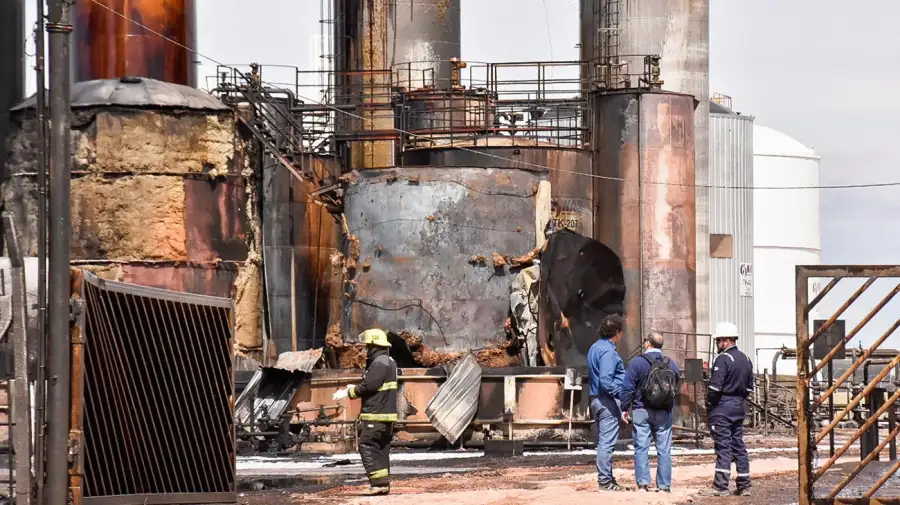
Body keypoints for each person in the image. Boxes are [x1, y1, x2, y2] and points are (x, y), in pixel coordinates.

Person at [332, 329, 398, 496]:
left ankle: (377, 484)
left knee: (367, 446)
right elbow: (374, 384)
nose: (366, 351)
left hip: (375, 415)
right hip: (386, 417)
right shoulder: (389, 361)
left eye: (368, 347)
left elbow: (370, 386)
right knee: (381, 449)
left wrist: (349, 392)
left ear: (374, 346)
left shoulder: (379, 362)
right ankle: (382, 483)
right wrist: (353, 387)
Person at [621, 332, 681, 493]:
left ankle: (642, 484)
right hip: (664, 412)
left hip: (641, 410)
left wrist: (624, 408)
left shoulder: (638, 363)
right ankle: (664, 486)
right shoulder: (671, 364)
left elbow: (628, 388)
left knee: (641, 448)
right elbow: (676, 384)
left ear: (647, 343)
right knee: (664, 450)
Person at [700, 322, 754, 497]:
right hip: (739, 407)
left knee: (723, 446)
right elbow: (749, 388)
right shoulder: (746, 359)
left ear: (726, 340)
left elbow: (715, 388)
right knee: (738, 445)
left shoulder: (723, 359)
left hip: (722, 408)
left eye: (718, 341)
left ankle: (720, 486)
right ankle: (744, 485)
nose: (717, 345)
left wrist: (709, 404)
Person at [587, 314, 627, 491]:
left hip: (596, 399)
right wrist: (623, 394)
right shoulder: (609, 352)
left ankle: (608, 478)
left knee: (604, 441)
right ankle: (605, 482)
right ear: (617, 333)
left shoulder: (594, 348)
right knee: (606, 443)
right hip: (607, 401)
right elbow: (606, 380)